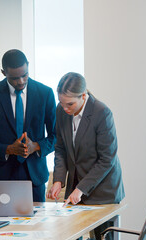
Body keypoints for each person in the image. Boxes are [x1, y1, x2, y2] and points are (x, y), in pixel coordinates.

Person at [46, 72, 125, 239]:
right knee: (72, 233)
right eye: (61, 102)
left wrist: (81, 188)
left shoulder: (102, 113)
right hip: (75, 186)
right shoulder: (61, 110)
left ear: (83, 95)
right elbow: (60, 148)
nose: (65, 108)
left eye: (70, 104)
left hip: (103, 190)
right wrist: (59, 180)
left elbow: (107, 159)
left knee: (102, 237)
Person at [0, 49, 56, 202]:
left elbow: (57, 136)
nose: (21, 81)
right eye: (15, 78)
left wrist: (36, 146)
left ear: (28, 66)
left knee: (35, 226)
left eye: (24, 75)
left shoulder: (45, 93)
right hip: (1, 177)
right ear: (3, 73)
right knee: (2, 225)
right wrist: (8, 149)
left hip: (34, 177)